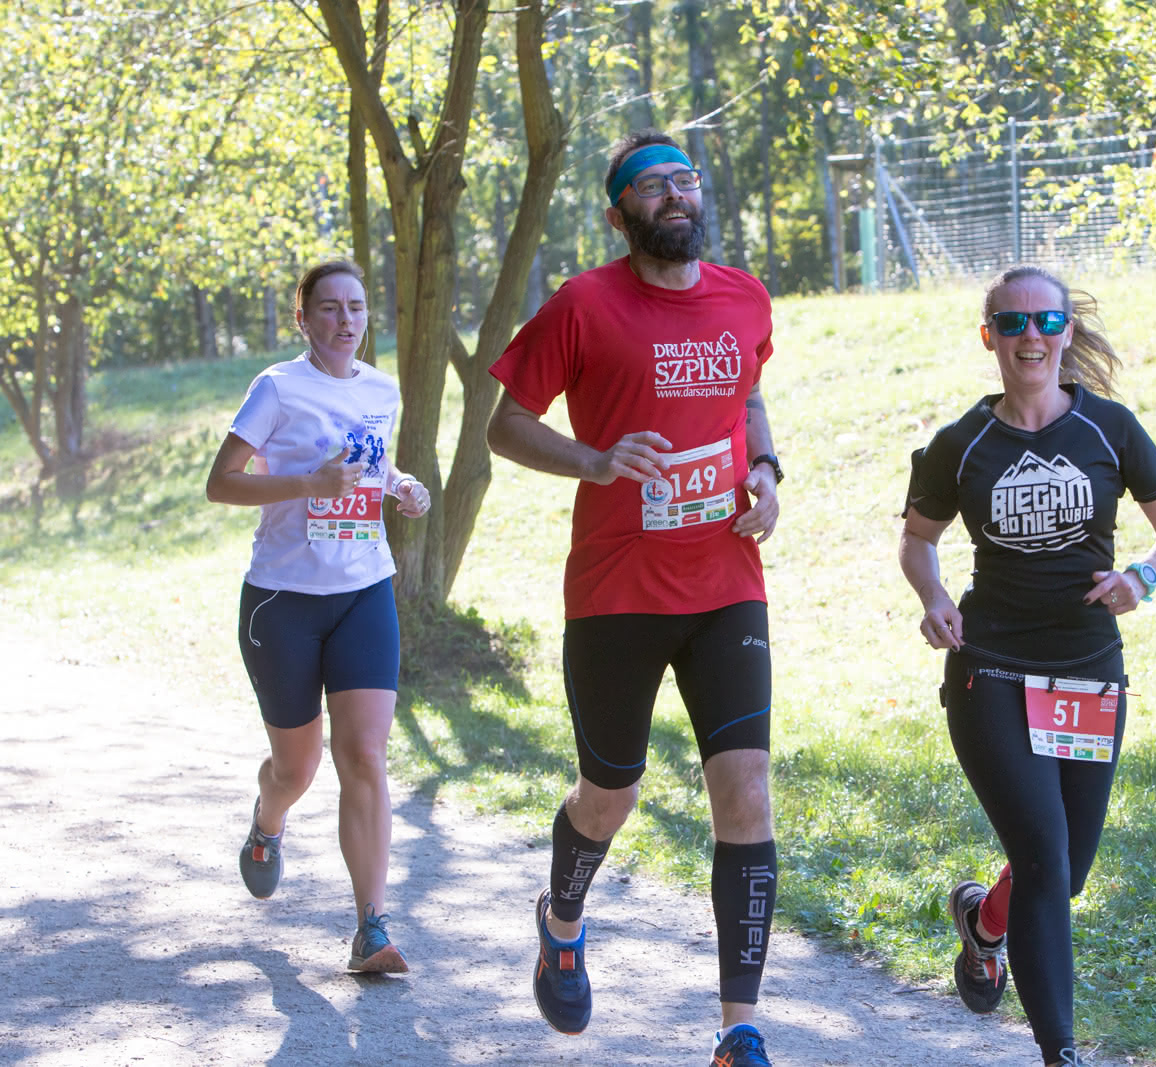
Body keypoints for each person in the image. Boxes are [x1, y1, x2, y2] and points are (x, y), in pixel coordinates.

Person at [485, 130, 782, 1067]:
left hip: (726, 582)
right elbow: (506, 425)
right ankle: (562, 918)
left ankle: (738, 1030)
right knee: (609, 794)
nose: (675, 195)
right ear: (620, 215)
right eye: (653, 187)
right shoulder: (583, 305)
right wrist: (596, 460)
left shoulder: (744, 297)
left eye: (685, 179)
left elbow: (748, 397)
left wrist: (766, 470)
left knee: (746, 794)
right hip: (616, 591)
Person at [899, 266, 1156, 1067]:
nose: (1030, 335)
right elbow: (918, 539)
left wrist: (1140, 578)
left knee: (1065, 871)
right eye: (1012, 322)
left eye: (1046, 321)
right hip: (991, 667)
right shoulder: (962, 443)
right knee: (1041, 852)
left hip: (1086, 667)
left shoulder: (1109, 428)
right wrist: (933, 596)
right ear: (989, 336)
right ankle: (1059, 1051)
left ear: (1065, 333)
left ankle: (984, 922)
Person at [205, 259, 430, 973]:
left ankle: (371, 927)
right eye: (329, 308)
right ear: (303, 319)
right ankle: (268, 820)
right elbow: (221, 483)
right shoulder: (276, 388)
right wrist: (308, 483)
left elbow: (373, 466)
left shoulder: (381, 389)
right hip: (283, 600)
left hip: (364, 589)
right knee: (296, 769)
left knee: (363, 753)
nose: (345, 320)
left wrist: (401, 486)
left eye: (356, 307)